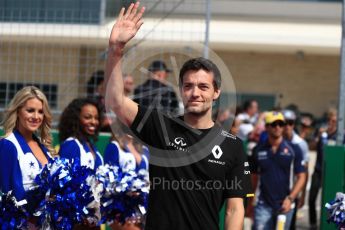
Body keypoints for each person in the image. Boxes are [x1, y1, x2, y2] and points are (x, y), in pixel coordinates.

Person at [104, 3, 253, 229]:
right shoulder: (159, 126)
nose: (195, 93)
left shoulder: (233, 146)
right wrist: (116, 49)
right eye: (188, 86)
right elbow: (116, 101)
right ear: (181, 90)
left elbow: (234, 209)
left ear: (216, 92)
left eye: (203, 86)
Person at [0, 86, 56, 221]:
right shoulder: (8, 145)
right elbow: (10, 197)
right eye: (30, 110)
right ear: (18, 111)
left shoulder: (44, 147)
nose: (36, 117)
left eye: (41, 112)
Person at [251, 111, 306, 230]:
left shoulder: (294, 149)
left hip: (285, 204)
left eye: (281, 124)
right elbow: (253, 178)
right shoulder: (258, 150)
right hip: (263, 205)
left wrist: (291, 198)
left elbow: (302, 176)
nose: (278, 127)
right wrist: (249, 202)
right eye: (274, 124)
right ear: (266, 127)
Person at [308, 108, 337, 229]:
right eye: (329, 120)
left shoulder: (340, 134)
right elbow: (312, 146)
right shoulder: (321, 132)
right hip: (319, 170)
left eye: (334, 121)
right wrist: (319, 136)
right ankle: (313, 223)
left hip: (332, 172)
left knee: (331, 199)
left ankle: (330, 223)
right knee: (312, 198)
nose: (331, 123)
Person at [58, 98, 103, 171]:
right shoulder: (70, 145)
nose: (93, 122)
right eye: (87, 117)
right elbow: (65, 178)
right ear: (75, 119)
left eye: (96, 118)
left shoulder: (90, 144)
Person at [282, 110, 309, 230]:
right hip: (274, 191)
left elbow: (305, 172)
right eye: (284, 122)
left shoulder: (301, 144)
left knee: (289, 226)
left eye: (290, 123)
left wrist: (302, 195)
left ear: (294, 124)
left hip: (292, 191)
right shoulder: (273, 139)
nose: (287, 126)